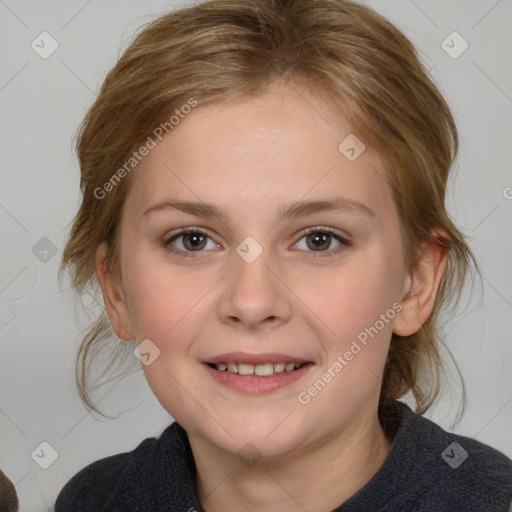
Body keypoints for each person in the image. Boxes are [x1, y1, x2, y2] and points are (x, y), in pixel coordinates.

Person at [55, 0, 512, 510]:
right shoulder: (94, 500)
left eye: (320, 240)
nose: (252, 302)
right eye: (192, 240)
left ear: (416, 281)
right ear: (115, 288)